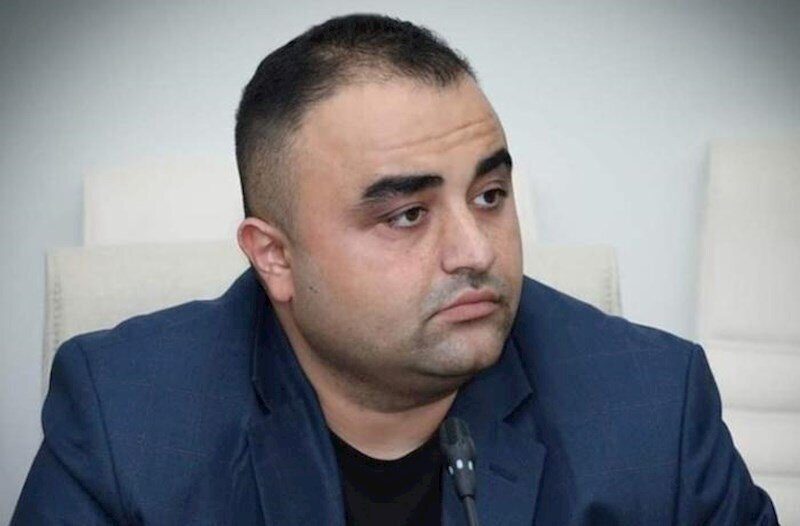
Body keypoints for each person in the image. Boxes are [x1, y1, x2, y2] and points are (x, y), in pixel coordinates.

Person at [13, 14, 777, 526]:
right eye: (407, 214)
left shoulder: (652, 407)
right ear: (274, 257)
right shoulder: (127, 417)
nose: (476, 251)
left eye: (490, 196)